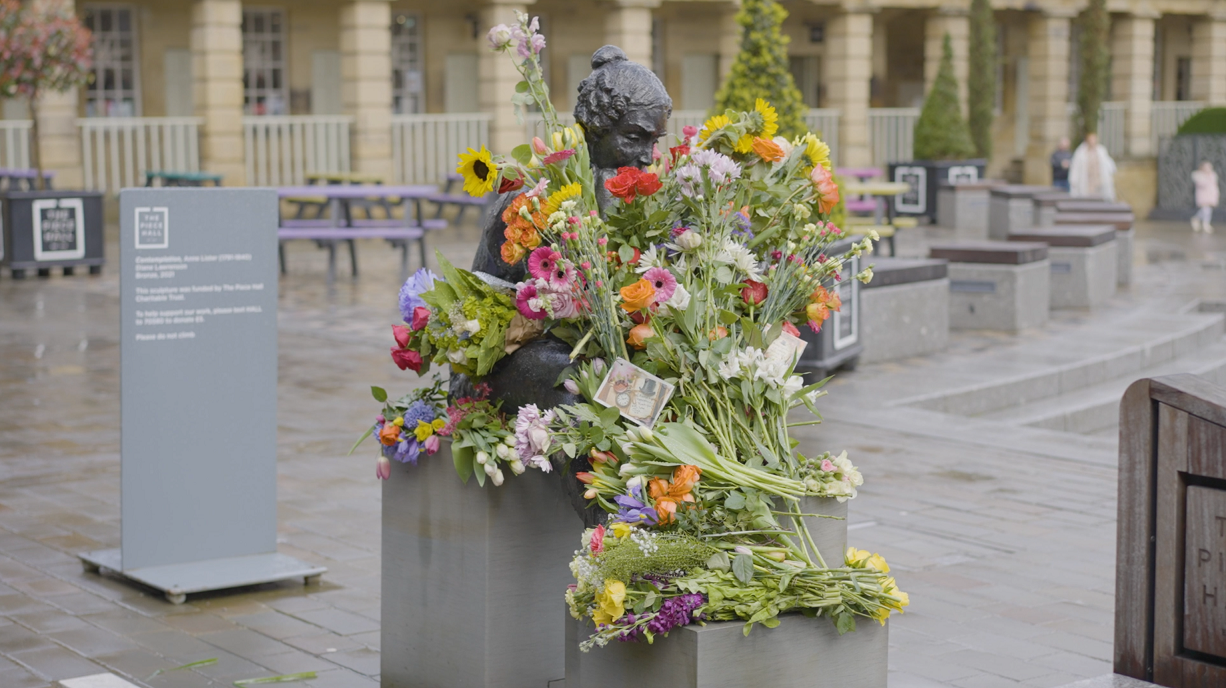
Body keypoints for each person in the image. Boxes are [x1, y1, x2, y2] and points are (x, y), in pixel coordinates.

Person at [454, 45, 672, 524]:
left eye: (656, 141)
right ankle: (609, 533)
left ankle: (671, 509)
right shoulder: (530, 203)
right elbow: (474, 311)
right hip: (529, 360)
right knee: (587, 387)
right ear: (597, 127)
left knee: (662, 384)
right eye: (635, 137)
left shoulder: (651, 204)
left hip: (606, 354)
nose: (647, 155)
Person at [1068, 132, 1117, 201]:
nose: (1093, 141)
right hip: (1086, 181)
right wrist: (1074, 181)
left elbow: (1108, 164)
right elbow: (1075, 168)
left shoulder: (1101, 150)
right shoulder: (1080, 152)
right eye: (1091, 139)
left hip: (1099, 181)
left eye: (1094, 139)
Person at [1191, 160, 1219, 234]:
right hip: (1203, 196)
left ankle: (1196, 218)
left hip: (1211, 196)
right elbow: (1202, 184)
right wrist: (1206, 176)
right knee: (1206, 210)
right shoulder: (1199, 175)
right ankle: (1206, 224)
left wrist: (1216, 195)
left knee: (1207, 210)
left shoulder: (1213, 175)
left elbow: (1214, 187)